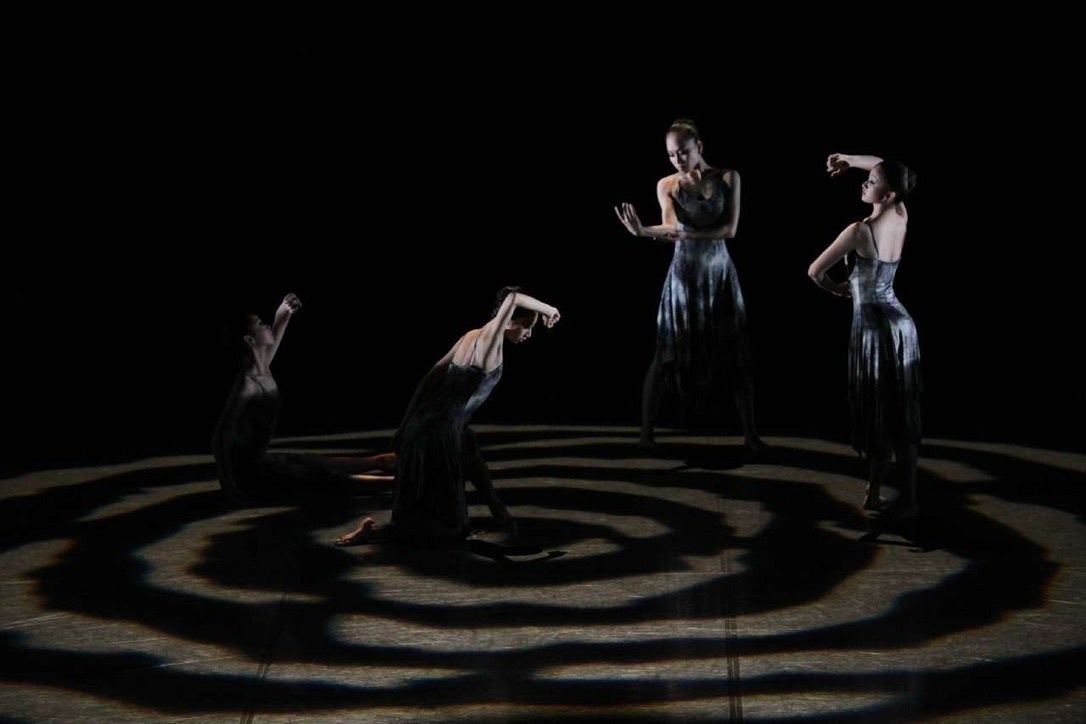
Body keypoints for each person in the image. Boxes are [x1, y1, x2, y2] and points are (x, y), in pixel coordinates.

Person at [336, 288, 560, 547]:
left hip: (428, 426)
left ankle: (496, 509)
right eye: (527, 326)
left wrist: (405, 426)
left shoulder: (470, 336)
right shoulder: (489, 342)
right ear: (508, 321)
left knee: (467, 447)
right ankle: (375, 533)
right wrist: (549, 309)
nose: (529, 334)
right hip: (439, 436)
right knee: (448, 530)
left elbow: (429, 379)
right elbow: (513, 297)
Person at [615, 118, 763, 451]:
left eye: (683, 151)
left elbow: (729, 229)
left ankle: (751, 435)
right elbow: (670, 226)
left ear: (699, 146)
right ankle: (646, 434)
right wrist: (643, 232)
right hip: (683, 278)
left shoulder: (728, 177)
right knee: (665, 354)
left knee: (735, 353)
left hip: (719, 274)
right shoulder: (667, 184)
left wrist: (688, 235)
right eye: (671, 154)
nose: (678, 159)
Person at [808, 153, 922, 519]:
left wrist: (838, 289)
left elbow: (814, 271)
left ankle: (902, 500)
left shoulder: (859, 231)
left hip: (874, 328)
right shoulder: (901, 214)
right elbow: (887, 165)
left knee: (881, 415)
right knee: (899, 413)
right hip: (901, 324)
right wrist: (849, 159)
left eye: (870, 182)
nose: (863, 182)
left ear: (887, 194)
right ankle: (885, 494)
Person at [212, 293, 395, 506]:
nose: (266, 325)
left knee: (318, 464)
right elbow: (219, 437)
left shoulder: (260, 368)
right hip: (251, 476)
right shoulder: (247, 384)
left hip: (263, 461)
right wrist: (232, 485)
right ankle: (396, 483)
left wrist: (283, 315)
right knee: (325, 479)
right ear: (249, 340)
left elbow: (271, 346)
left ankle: (383, 462)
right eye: (260, 324)